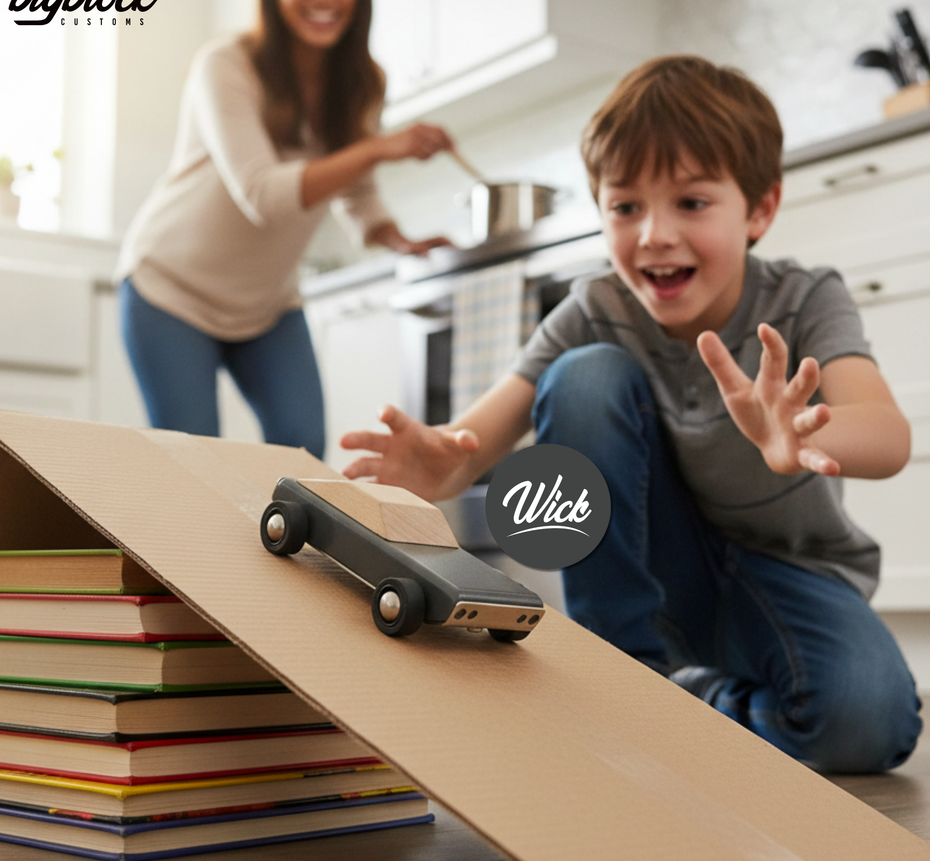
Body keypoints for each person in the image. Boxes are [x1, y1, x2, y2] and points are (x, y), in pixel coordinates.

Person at [340, 55, 921, 774]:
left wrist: (803, 433)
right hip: (656, 579)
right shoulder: (595, 308)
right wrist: (440, 466)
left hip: (787, 574)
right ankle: (621, 676)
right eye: (625, 207)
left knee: (868, 723)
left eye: (691, 202)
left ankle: (682, 704)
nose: (653, 234)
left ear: (760, 210)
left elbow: (888, 435)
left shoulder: (804, 298)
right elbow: (473, 440)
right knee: (582, 376)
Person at [116, 0, 454, 455]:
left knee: (302, 454)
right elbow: (263, 195)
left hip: (267, 304)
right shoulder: (225, 64)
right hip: (170, 291)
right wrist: (379, 147)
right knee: (192, 465)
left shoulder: (363, 82)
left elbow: (356, 188)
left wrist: (398, 239)